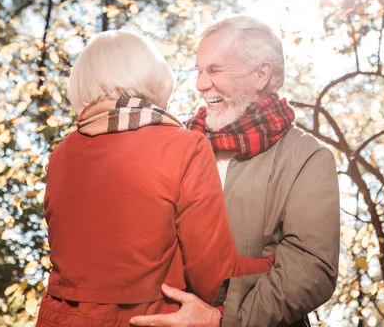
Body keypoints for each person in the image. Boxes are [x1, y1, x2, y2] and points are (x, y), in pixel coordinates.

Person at [36, 30, 274, 327]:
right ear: (153, 76)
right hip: (148, 319)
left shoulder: (61, 155)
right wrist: (276, 263)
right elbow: (214, 278)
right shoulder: (184, 146)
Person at [130, 16, 340, 327]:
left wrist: (220, 319)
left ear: (260, 74)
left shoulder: (307, 157)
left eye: (215, 70)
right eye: (200, 71)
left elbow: (311, 266)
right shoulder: (179, 145)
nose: (201, 84)